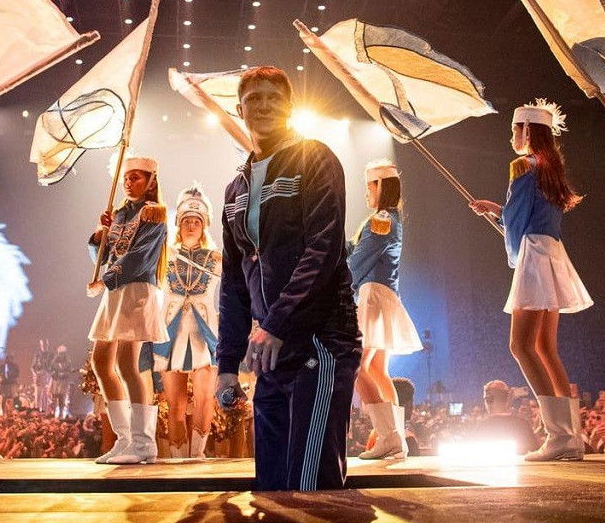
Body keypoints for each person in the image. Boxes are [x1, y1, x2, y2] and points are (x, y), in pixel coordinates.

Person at [215, 66, 361, 491]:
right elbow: (234, 281)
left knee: (311, 486)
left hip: (320, 337)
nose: (262, 105)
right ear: (239, 109)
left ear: (290, 106)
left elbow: (325, 247)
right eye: (253, 98)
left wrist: (276, 323)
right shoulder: (235, 188)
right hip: (271, 351)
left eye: (272, 97)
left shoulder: (314, 158)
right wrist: (226, 363)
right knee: (272, 488)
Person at [469, 99, 592, 461]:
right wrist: (498, 211)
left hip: (534, 257)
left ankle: (558, 435)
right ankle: (571, 437)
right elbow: (524, 213)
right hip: (553, 253)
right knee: (546, 349)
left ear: (525, 131)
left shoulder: (522, 165)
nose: (511, 136)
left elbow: (518, 224)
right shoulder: (550, 167)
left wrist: (511, 244)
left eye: (514, 129)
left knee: (521, 346)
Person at [86, 156, 169, 464]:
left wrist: (106, 280)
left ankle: (143, 443)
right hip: (116, 291)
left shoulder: (155, 214)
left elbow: (140, 258)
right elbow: (104, 254)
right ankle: (124, 440)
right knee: (100, 360)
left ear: (151, 181)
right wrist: (99, 235)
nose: (129, 182)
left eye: (137, 177)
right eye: (127, 177)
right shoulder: (118, 214)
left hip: (135, 290)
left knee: (127, 364)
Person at [350, 160, 423, 460]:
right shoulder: (390, 218)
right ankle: (397, 438)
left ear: (380, 186)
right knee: (379, 369)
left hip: (373, 295)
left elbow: (358, 261)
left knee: (356, 365)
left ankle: (388, 435)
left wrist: (331, 281)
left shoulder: (381, 220)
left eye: (369, 188)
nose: (367, 194)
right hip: (384, 295)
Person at [153, 184, 222, 460]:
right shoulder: (164, 256)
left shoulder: (217, 259)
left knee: (206, 397)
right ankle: (177, 459)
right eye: (186, 221)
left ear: (204, 226)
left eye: (197, 221)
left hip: (206, 335)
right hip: (170, 335)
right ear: (178, 225)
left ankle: (197, 455)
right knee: (175, 404)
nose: (191, 225)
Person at [473, 380, 539, 454]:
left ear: (489, 400)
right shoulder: (523, 424)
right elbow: (535, 451)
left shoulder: (483, 426)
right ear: (508, 399)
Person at [49, 345, 75, 418]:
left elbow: (70, 371)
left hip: (63, 382)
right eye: (60, 353)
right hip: (56, 381)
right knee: (54, 397)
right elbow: (51, 370)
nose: (61, 355)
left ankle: (61, 413)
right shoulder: (54, 362)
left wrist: (64, 374)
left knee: (62, 398)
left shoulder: (68, 362)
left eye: (63, 354)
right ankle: (53, 412)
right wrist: (56, 374)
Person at [32, 340, 53, 413]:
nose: (44, 346)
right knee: (38, 395)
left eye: (45, 345)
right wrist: (36, 374)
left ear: (48, 345)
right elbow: (32, 367)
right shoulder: (37, 355)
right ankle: (37, 412)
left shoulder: (51, 355)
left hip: (47, 377)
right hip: (39, 377)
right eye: (42, 345)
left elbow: (53, 367)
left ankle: (45, 412)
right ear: (40, 345)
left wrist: (48, 373)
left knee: (46, 395)